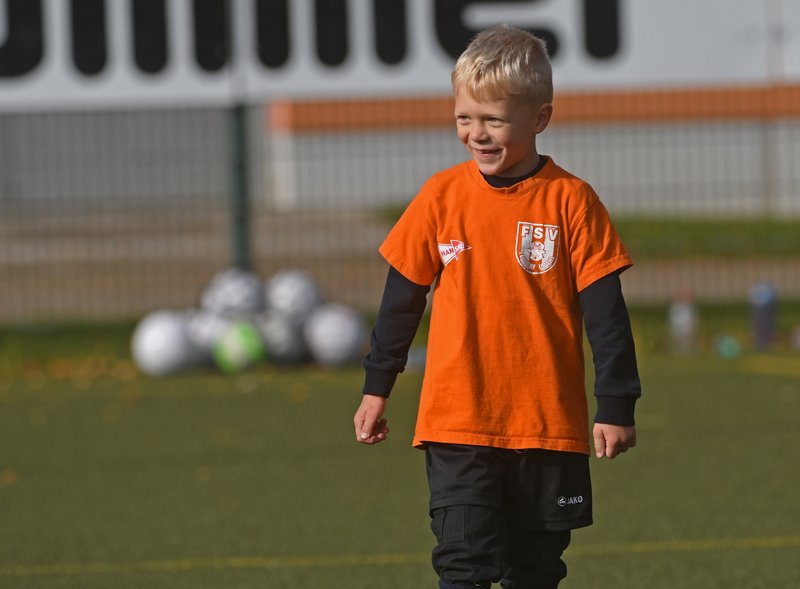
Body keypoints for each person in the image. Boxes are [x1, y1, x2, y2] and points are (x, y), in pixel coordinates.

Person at [353, 24, 641, 589]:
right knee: (463, 564)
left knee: (535, 572)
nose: (476, 134)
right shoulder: (439, 198)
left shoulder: (572, 201)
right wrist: (376, 384)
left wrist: (616, 403)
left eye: (493, 120)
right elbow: (400, 302)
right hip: (458, 424)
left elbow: (607, 315)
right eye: (464, 118)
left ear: (540, 119)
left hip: (547, 427)